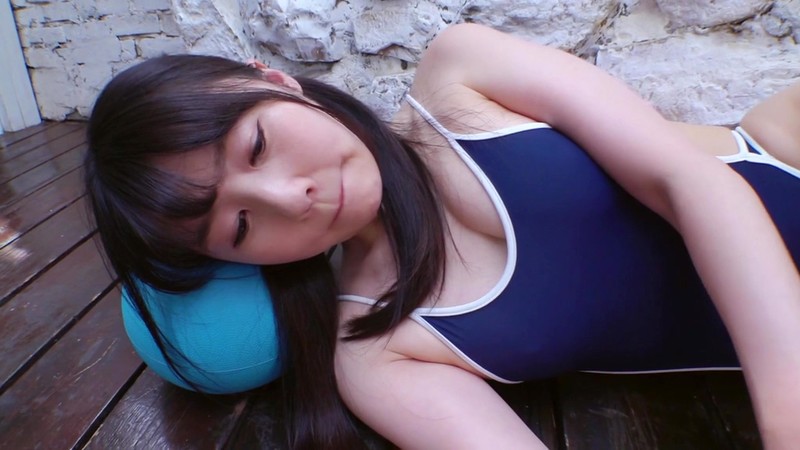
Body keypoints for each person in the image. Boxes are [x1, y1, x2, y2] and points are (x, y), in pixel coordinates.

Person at [85, 23, 800, 449]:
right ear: (232, 265)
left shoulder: (459, 74)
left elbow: (688, 181)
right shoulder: (377, 355)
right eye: (240, 226)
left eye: (257, 145)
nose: (288, 197)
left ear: (272, 79)